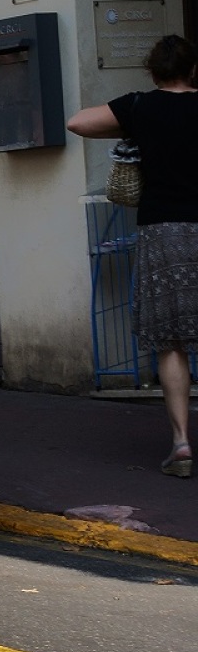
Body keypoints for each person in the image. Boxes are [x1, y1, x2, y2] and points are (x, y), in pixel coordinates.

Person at [68, 34, 198, 479]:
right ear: (193, 70)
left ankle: (181, 443)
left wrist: (130, 124)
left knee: (171, 342)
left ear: (152, 71)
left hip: (162, 231)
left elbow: (78, 122)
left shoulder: (140, 107)